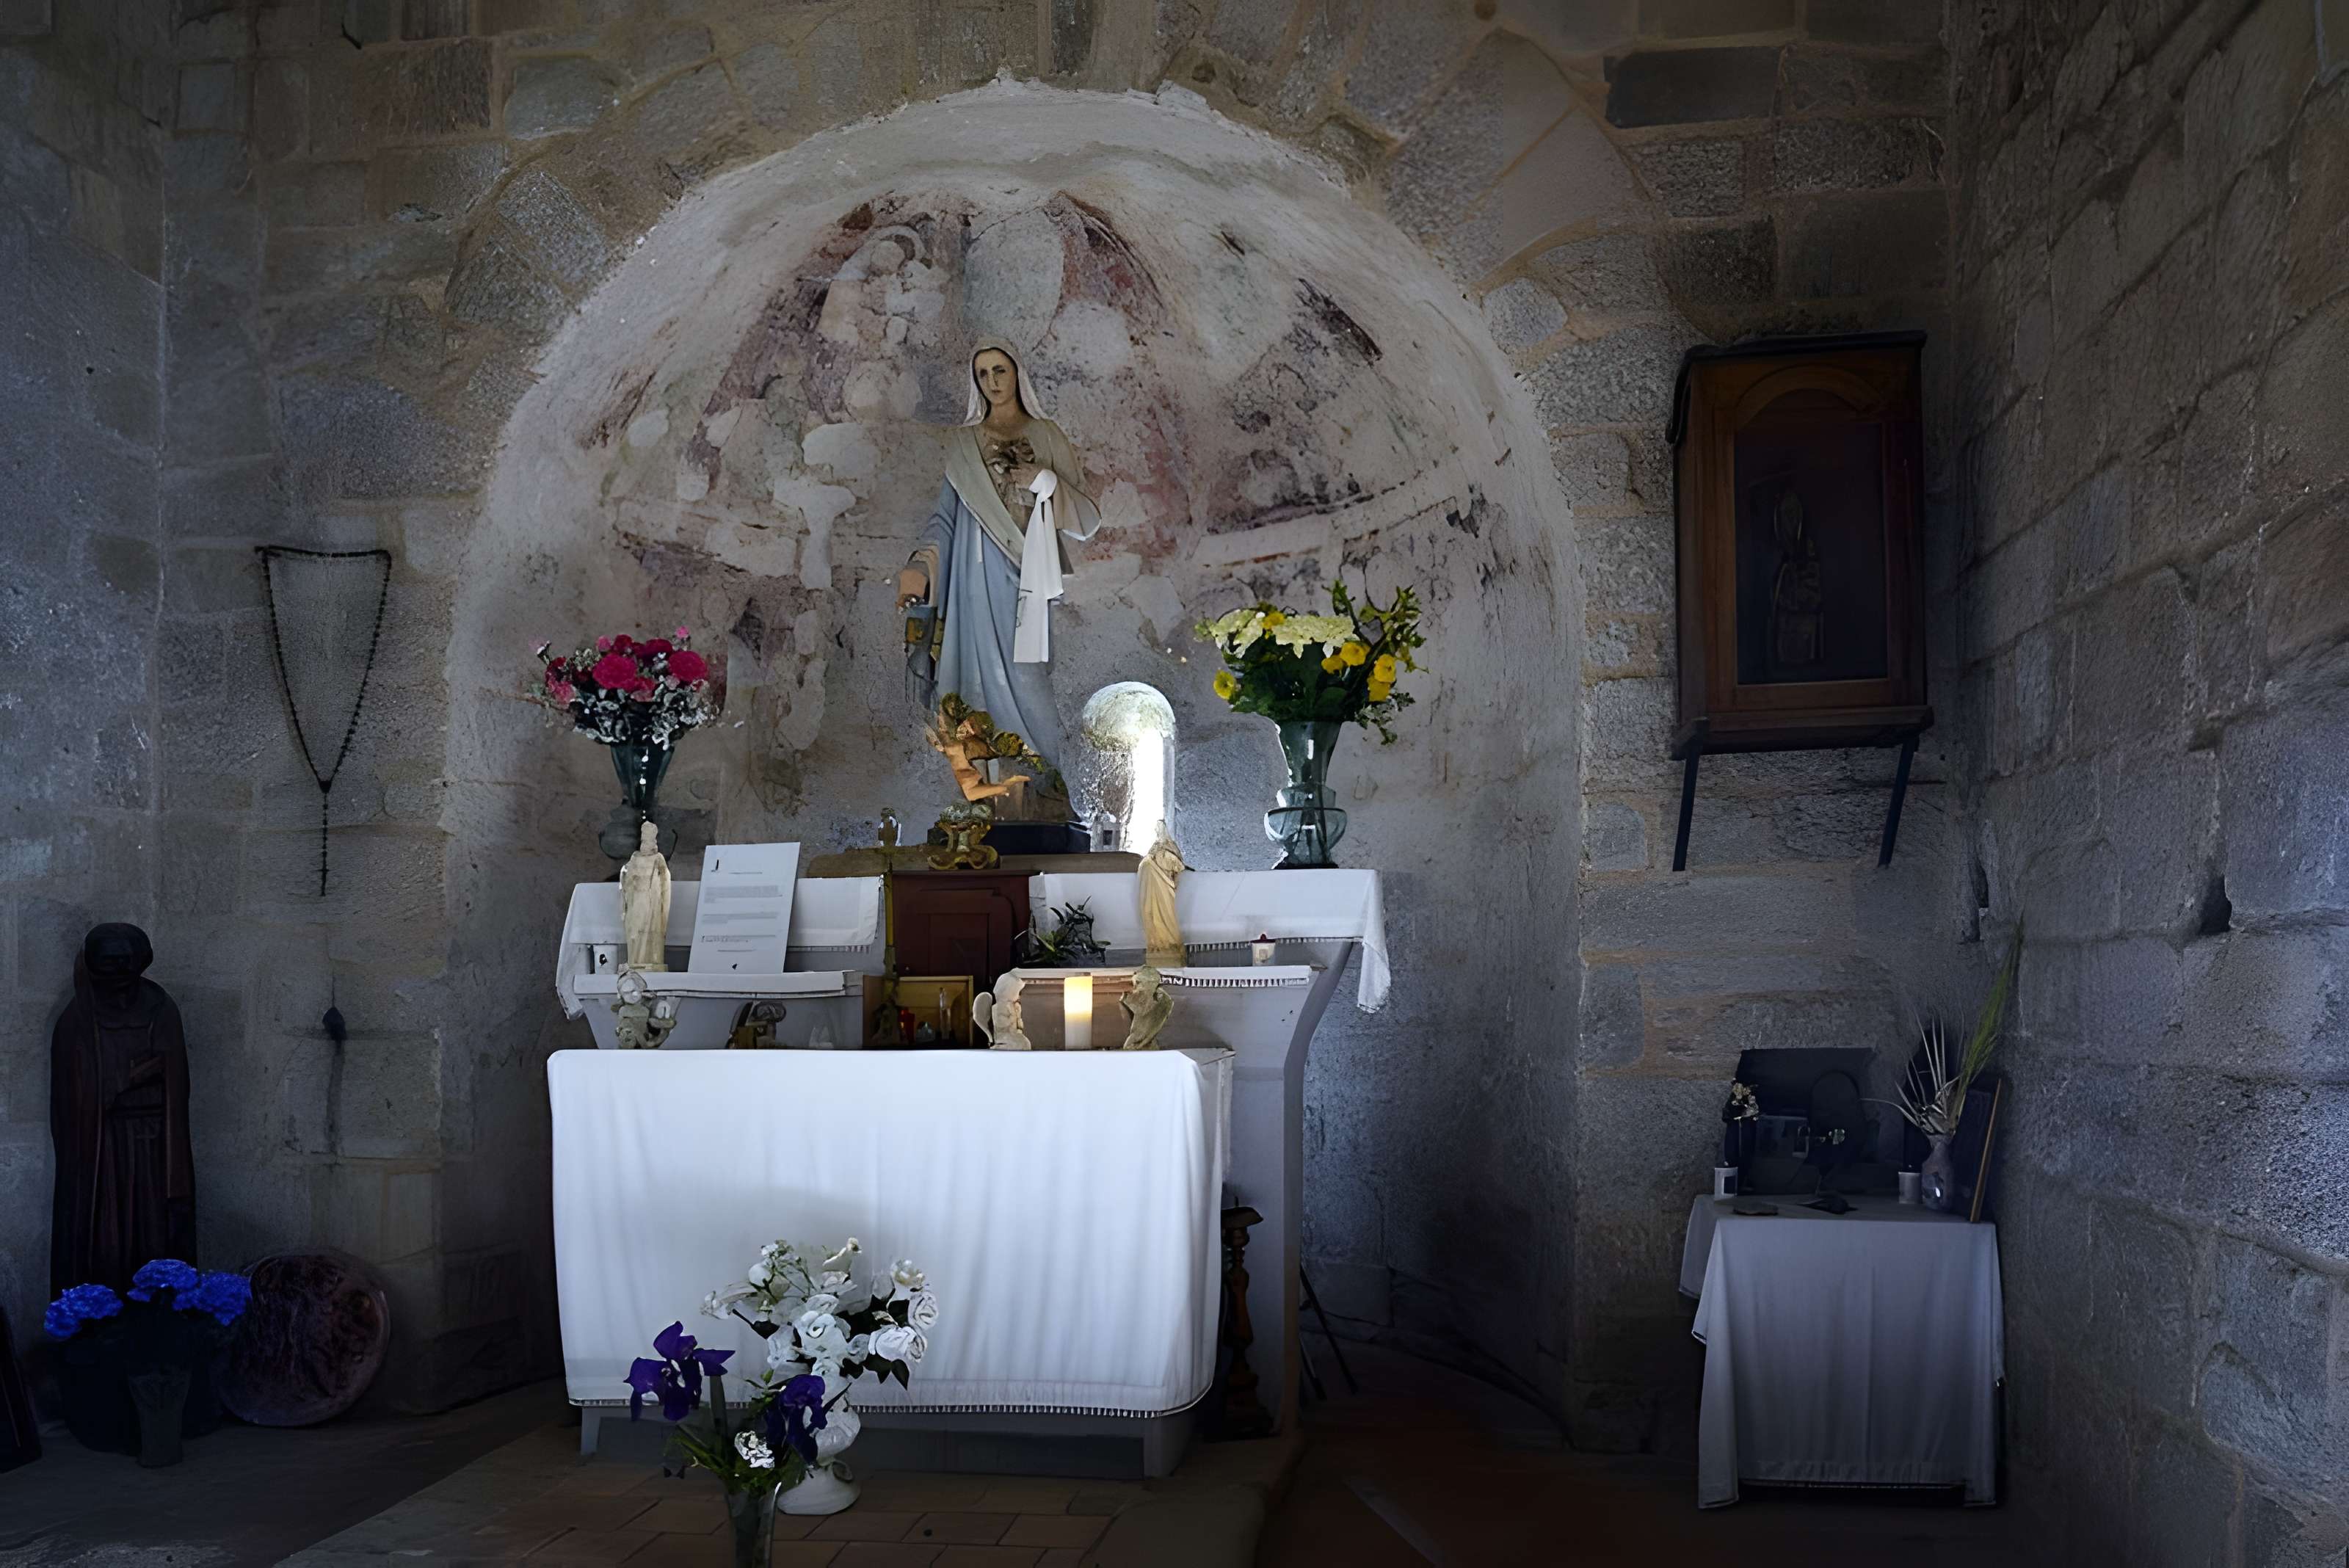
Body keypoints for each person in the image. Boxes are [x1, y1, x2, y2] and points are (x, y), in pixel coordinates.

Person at [897, 339, 1102, 789]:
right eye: (984, 374)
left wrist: (1047, 482)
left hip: (1028, 574)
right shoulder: (963, 445)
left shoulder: (1047, 435)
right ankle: (988, 788)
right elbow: (945, 521)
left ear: (1017, 374)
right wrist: (921, 566)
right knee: (973, 682)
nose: (993, 381)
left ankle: (1049, 785)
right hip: (972, 578)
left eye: (1000, 371)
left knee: (1030, 679)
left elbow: (1086, 518)